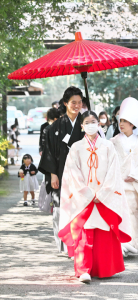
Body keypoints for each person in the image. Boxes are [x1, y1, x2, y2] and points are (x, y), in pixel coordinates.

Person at [58, 111, 132, 282]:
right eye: (87, 122)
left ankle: (103, 268)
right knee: (84, 232)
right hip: (83, 198)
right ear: (82, 126)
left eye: (94, 121)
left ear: (99, 125)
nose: (91, 124)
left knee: (103, 232)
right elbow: (72, 173)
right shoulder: (76, 147)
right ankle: (83, 270)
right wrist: (88, 194)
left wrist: (103, 193)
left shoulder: (108, 146)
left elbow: (114, 172)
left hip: (103, 197)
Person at [38, 86, 85, 253]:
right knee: (60, 207)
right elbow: (48, 151)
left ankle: (79, 244)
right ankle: (64, 244)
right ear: (65, 103)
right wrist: (52, 174)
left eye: (80, 102)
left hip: (82, 175)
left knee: (80, 208)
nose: (77, 106)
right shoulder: (55, 127)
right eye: (73, 102)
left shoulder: (85, 123)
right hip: (60, 172)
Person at [111, 97, 138, 256]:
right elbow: (108, 161)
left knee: (133, 213)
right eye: (120, 120)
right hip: (117, 184)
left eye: (125, 121)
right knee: (119, 214)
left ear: (132, 124)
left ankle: (131, 243)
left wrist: (135, 175)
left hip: (134, 184)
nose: (121, 123)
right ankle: (120, 243)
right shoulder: (113, 141)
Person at [38, 108, 60, 213]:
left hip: (48, 158)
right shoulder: (50, 128)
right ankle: (53, 204)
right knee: (52, 182)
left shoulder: (48, 128)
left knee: (50, 182)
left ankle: (52, 204)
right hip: (53, 158)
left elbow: (43, 143)